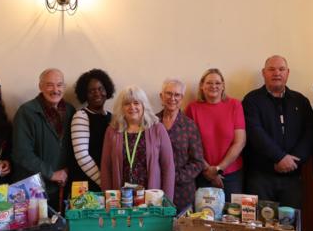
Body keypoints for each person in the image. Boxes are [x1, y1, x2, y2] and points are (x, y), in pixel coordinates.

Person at [242, 55, 313, 208]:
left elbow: (309, 133)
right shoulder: (251, 100)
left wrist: (293, 161)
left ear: (287, 73)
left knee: (290, 226)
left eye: (281, 69)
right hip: (260, 176)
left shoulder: (301, 101)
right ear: (263, 73)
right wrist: (279, 157)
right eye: (271, 69)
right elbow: (255, 132)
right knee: (259, 225)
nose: (277, 73)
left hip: (292, 176)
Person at [12, 68, 75, 211]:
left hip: (62, 188)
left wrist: (67, 170)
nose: (55, 90)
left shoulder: (71, 111)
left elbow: (74, 147)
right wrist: (51, 174)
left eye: (59, 85)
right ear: (40, 87)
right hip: (34, 191)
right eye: (49, 85)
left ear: (64, 87)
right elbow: (21, 153)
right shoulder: (26, 112)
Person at [100, 85, 175, 200]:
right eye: (127, 104)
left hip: (152, 200)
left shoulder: (157, 129)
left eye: (136, 103)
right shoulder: (112, 131)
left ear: (143, 105)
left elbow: (168, 167)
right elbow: (106, 167)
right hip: (121, 200)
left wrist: (167, 200)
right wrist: (107, 199)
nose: (132, 107)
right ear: (121, 108)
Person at [185, 69, 246, 202]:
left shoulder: (235, 105)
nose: (214, 86)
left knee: (231, 217)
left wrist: (218, 169)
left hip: (231, 175)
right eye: (209, 83)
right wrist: (209, 171)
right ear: (202, 86)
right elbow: (190, 145)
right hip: (202, 173)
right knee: (203, 217)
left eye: (218, 83)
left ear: (223, 86)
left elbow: (239, 142)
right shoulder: (192, 108)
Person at [156, 78, 205, 211]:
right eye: (168, 93)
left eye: (177, 95)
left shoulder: (189, 126)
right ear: (161, 96)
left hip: (182, 192)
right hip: (155, 190)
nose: (172, 98)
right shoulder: (152, 123)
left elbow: (197, 162)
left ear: (182, 98)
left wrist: (173, 177)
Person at [69, 69, 116, 192]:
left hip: (107, 184)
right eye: (91, 91)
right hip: (87, 185)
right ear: (84, 94)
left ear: (107, 90)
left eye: (101, 88)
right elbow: (82, 156)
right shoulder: (81, 116)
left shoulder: (112, 117)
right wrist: (104, 182)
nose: (97, 93)